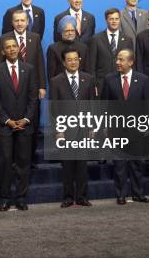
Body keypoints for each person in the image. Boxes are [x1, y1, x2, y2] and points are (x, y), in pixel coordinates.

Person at [0, 37, 38, 211]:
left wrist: (25, 119)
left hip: (25, 125)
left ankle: (21, 197)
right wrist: (8, 121)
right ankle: (4, 198)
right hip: (5, 126)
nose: (11, 49)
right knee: (5, 162)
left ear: (19, 49)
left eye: (14, 46)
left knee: (24, 162)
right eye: (7, 47)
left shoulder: (29, 69)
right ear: (3, 52)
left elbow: (33, 98)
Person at [101, 49, 149, 205]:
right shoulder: (109, 79)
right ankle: (121, 195)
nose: (117, 62)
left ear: (131, 62)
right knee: (119, 165)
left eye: (121, 59)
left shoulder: (143, 80)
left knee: (136, 164)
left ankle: (138, 194)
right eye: (117, 59)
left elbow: (148, 106)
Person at [0, 10, 46, 166]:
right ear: (12, 22)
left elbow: (39, 61)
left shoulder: (35, 38)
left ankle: (28, 160)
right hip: (11, 86)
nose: (19, 23)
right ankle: (12, 161)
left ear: (27, 22)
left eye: (22, 20)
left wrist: (42, 85)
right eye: (16, 20)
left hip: (31, 86)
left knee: (31, 122)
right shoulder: (4, 38)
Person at [50, 48, 96, 208]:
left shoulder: (88, 79)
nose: (73, 62)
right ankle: (68, 197)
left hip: (84, 129)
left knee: (82, 166)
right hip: (66, 130)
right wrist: (58, 130)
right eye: (69, 59)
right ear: (64, 62)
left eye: (76, 59)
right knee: (68, 166)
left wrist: (92, 127)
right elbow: (54, 109)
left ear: (80, 60)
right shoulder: (56, 81)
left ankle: (82, 197)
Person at [89, 8, 134, 94]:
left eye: (116, 19)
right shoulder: (96, 39)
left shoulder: (128, 39)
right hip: (101, 84)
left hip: (121, 83)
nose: (114, 21)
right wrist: (93, 84)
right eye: (111, 19)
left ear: (120, 20)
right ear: (106, 20)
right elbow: (92, 65)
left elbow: (131, 64)